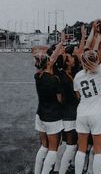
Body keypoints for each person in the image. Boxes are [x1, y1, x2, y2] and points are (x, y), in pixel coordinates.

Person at [73, 23, 101, 174]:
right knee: (98, 150)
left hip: (82, 112)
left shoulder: (78, 76)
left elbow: (78, 95)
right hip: (98, 113)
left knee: (81, 149)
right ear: (96, 60)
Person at [34, 39, 65, 174]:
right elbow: (60, 100)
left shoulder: (37, 76)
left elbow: (50, 59)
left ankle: (37, 171)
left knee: (44, 147)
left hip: (40, 115)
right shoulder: (54, 80)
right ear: (49, 63)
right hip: (52, 117)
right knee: (53, 149)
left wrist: (60, 44)